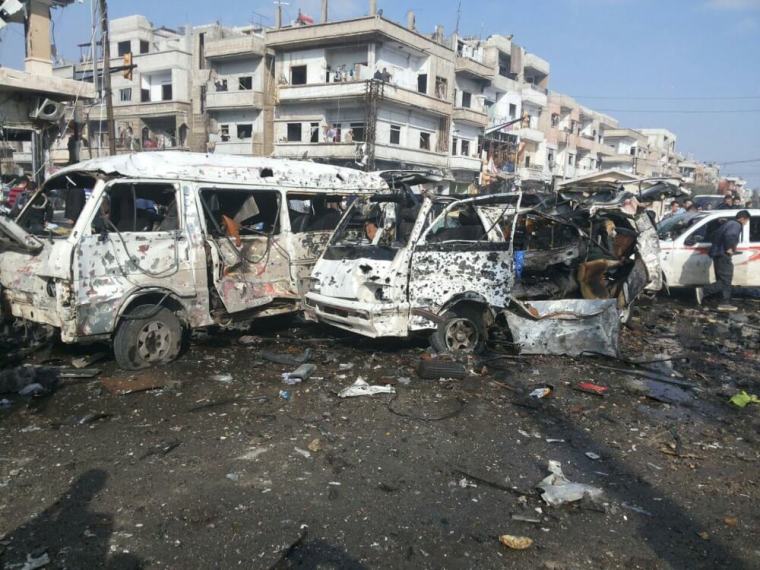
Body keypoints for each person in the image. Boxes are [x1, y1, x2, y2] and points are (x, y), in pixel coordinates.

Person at [696, 210, 751, 311]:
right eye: (746, 221)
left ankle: (724, 302)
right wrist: (729, 248)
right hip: (723, 254)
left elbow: (714, 235)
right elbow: (731, 236)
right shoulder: (735, 225)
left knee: (722, 279)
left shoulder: (728, 223)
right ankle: (704, 291)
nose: (746, 223)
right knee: (726, 280)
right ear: (743, 219)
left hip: (718, 254)